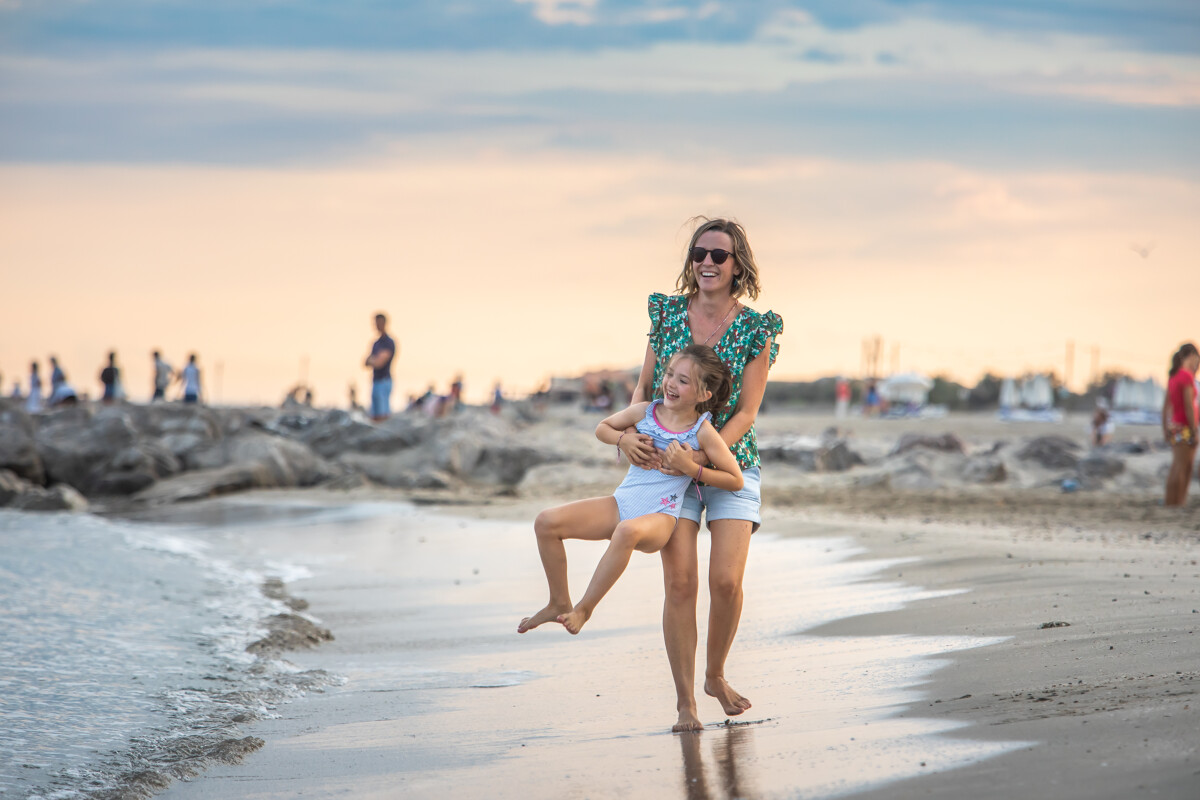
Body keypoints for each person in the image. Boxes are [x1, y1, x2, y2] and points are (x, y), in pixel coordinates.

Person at [623, 217, 783, 732]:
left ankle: (715, 675)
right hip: (668, 467)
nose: (708, 262)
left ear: (739, 266)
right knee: (681, 584)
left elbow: (746, 412)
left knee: (726, 582)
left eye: (719, 255)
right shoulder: (667, 313)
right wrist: (630, 438)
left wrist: (702, 457)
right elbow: (645, 388)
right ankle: (685, 703)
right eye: (699, 253)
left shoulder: (757, 328)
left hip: (731, 461)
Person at [518, 345, 742, 636]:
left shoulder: (702, 431)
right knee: (546, 522)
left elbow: (735, 479)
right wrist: (623, 440)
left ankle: (584, 609)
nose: (671, 383)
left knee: (626, 531)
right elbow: (602, 428)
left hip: (661, 516)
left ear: (703, 395)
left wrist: (691, 468)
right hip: (621, 502)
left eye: (683, 380)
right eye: (670, 374)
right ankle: (558, 600)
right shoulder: (645, 412)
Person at [1163, 342, 1199, 506]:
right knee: (1184, 467)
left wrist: (1165, 428)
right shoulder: (1186, 376)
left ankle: (1170, 501)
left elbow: (1166, 407)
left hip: (1174, 425)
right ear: (1192, 356)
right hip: (1185, 426)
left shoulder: (1174, 377)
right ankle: (1179, 502)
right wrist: (1194, 430)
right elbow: (1189, 406)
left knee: (1177, 466)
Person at [364, 313, 396, 422]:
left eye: (379, 323)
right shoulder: (376, 343)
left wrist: (373, 360)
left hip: (384, 380)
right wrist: (374, 360)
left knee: (383, 413)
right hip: (376, 380)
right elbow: (366, 362)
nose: (376, 325)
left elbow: (379, 363)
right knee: (375, 414)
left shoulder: (388, 342)